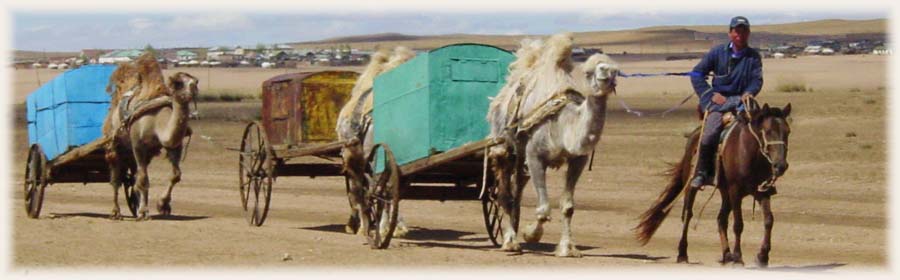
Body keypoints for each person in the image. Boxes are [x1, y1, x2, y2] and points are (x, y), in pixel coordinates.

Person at [689, 16, 763, 189]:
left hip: (742, 102)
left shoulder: (754, 57)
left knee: (763, 130)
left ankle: (764, 172)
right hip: (719, 104)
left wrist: (749, 92)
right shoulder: (717, 53)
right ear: (730, 33)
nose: (740, 34)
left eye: (744, 31)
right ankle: (702, 172)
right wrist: (710, 94)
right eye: (737, 31)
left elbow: (757, 80)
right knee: (709, 134)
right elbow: (697, 74)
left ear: (749, 33)